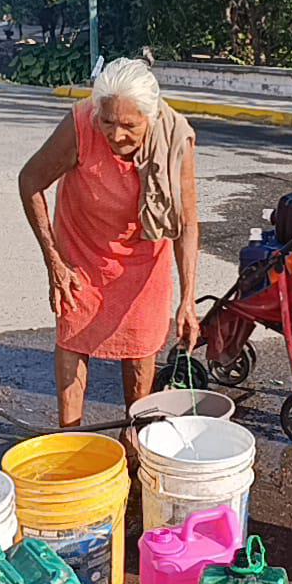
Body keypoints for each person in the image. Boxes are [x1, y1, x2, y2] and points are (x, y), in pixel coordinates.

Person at [19, 57, 201, 439]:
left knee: (140, 349)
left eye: (129, 126)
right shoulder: (81, 124)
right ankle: (70, 438)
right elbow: (30, 181)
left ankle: (134, 438)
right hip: (81, 251)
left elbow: (185, 223)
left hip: (144, 258)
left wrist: (188, 299)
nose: (116, 134)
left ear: (150, 118)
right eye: (107, 121)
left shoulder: (176, 138)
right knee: (73, 337)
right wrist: (53, 261)